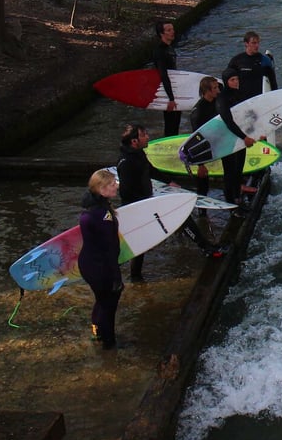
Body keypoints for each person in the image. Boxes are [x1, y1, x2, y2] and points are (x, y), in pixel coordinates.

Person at [117, 124, 226, 282]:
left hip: (148, 199)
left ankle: (205, 247)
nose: (148, 137)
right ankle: (133, 276)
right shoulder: (126, 162)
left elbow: (150, 170)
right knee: (140, 242)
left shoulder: (138, 153)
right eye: (144, 135)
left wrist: (169, 182)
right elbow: (126, 191)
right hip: (139, 206)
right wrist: (146, 204)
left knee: (180, 217)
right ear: (134, 141)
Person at [78, 168, 123, 350]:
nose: (116, 186)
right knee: (109, 305)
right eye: (112, 184)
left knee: (101, 299)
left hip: (87, 264)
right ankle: (109, 344)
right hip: (99, 267)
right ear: (102, 190)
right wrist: (116, 277)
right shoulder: (103, 216)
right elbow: (109, 249)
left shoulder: (90, 209)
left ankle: (96, 332)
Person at [216, 68, 260, 207]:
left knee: (239, 169)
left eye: (237, 79)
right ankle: (230, 202)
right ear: (226, 81)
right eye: (232, 80)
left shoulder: (239, 94)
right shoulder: (222, 99)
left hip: (240, 137)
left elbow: (247, 117)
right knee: (229, 172)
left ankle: (237, 197)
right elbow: (228, 122)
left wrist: (257, 133)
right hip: (227, 139)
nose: (236, 82)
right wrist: (244, 137)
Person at [189, 75, 221, 200]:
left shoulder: (217, 101)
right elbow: (196, 138)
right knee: (203, 178)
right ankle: (202, 204)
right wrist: (200, 164)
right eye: (215, 88)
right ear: (207, 91)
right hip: (203, 145)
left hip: (218, 141)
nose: (218, 90)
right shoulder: (198, 112)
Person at [227, 31, 278, 99]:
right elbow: (228, 80)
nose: (257, 45)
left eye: (258, 43)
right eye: (253, 43)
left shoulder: (265, 60)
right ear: (246, 43)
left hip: (259, 98)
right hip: (242, 99)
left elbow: (273, 83)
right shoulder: (236, 61)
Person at [153, 20, 181, 137]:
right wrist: (170, 98)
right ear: (161, 34)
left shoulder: (169, 47)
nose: (172, 32)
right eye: (169, 30)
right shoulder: (160, 51)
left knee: (176, 123)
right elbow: (163, 75)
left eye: (172, 29)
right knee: (170, 124)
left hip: (174, 90)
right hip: (167, 93)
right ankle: (168, 145)